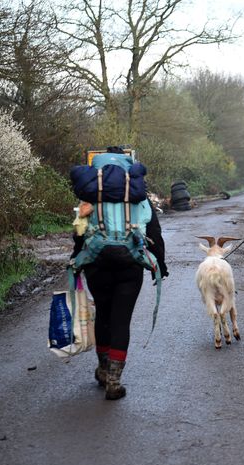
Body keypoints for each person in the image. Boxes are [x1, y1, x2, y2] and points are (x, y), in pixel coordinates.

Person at [71, 146, 168, 400]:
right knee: (121, 321)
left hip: (97, 264)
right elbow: (154, 233)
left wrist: (77, 257)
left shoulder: (90, 194)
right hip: (129, 265)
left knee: (102, 314)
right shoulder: (137, 195)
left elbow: (79, 232)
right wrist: (161, 264)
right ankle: (114, 381)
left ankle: (103, 370)